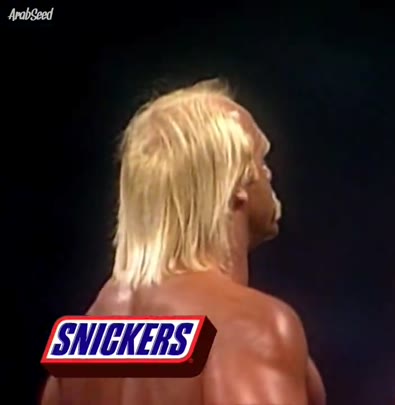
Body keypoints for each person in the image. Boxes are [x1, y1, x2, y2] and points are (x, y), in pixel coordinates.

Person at [41, 79, 326, 405]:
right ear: (235, 180)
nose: (269, 175)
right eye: (261, 160)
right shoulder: (246, 327)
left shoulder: (81, 344)